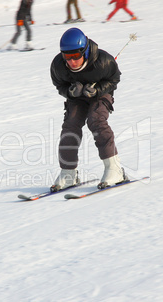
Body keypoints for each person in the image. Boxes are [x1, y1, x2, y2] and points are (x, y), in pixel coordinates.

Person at [50, 27, 127, 191]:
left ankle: (115, 169)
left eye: (76, 56)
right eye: (67, 56)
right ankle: (68, 173)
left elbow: (114, 79)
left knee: (96, 120)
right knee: (70, 125)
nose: (71, 61)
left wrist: (98, 90)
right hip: (77, 97)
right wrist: (70, 91)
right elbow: (59, 85)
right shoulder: (58, 66)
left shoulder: (103, 61)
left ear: (84, 52)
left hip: (101, 94)